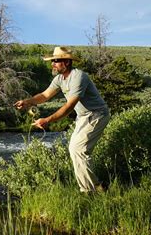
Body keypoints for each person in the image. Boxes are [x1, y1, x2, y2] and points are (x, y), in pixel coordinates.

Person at [14, 46, 110, 193]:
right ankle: (98, 187)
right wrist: (27, 102)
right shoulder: (59, 79)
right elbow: (45, 96)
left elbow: (70, 106)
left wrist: (47, 120)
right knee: (76, 150)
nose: (52, 64)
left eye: (56, 61)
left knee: (77, 149)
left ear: (66, 63)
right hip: (83, 117)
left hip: (97, 115)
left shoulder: (78, 77)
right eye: (52, 61)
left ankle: (89, 192)